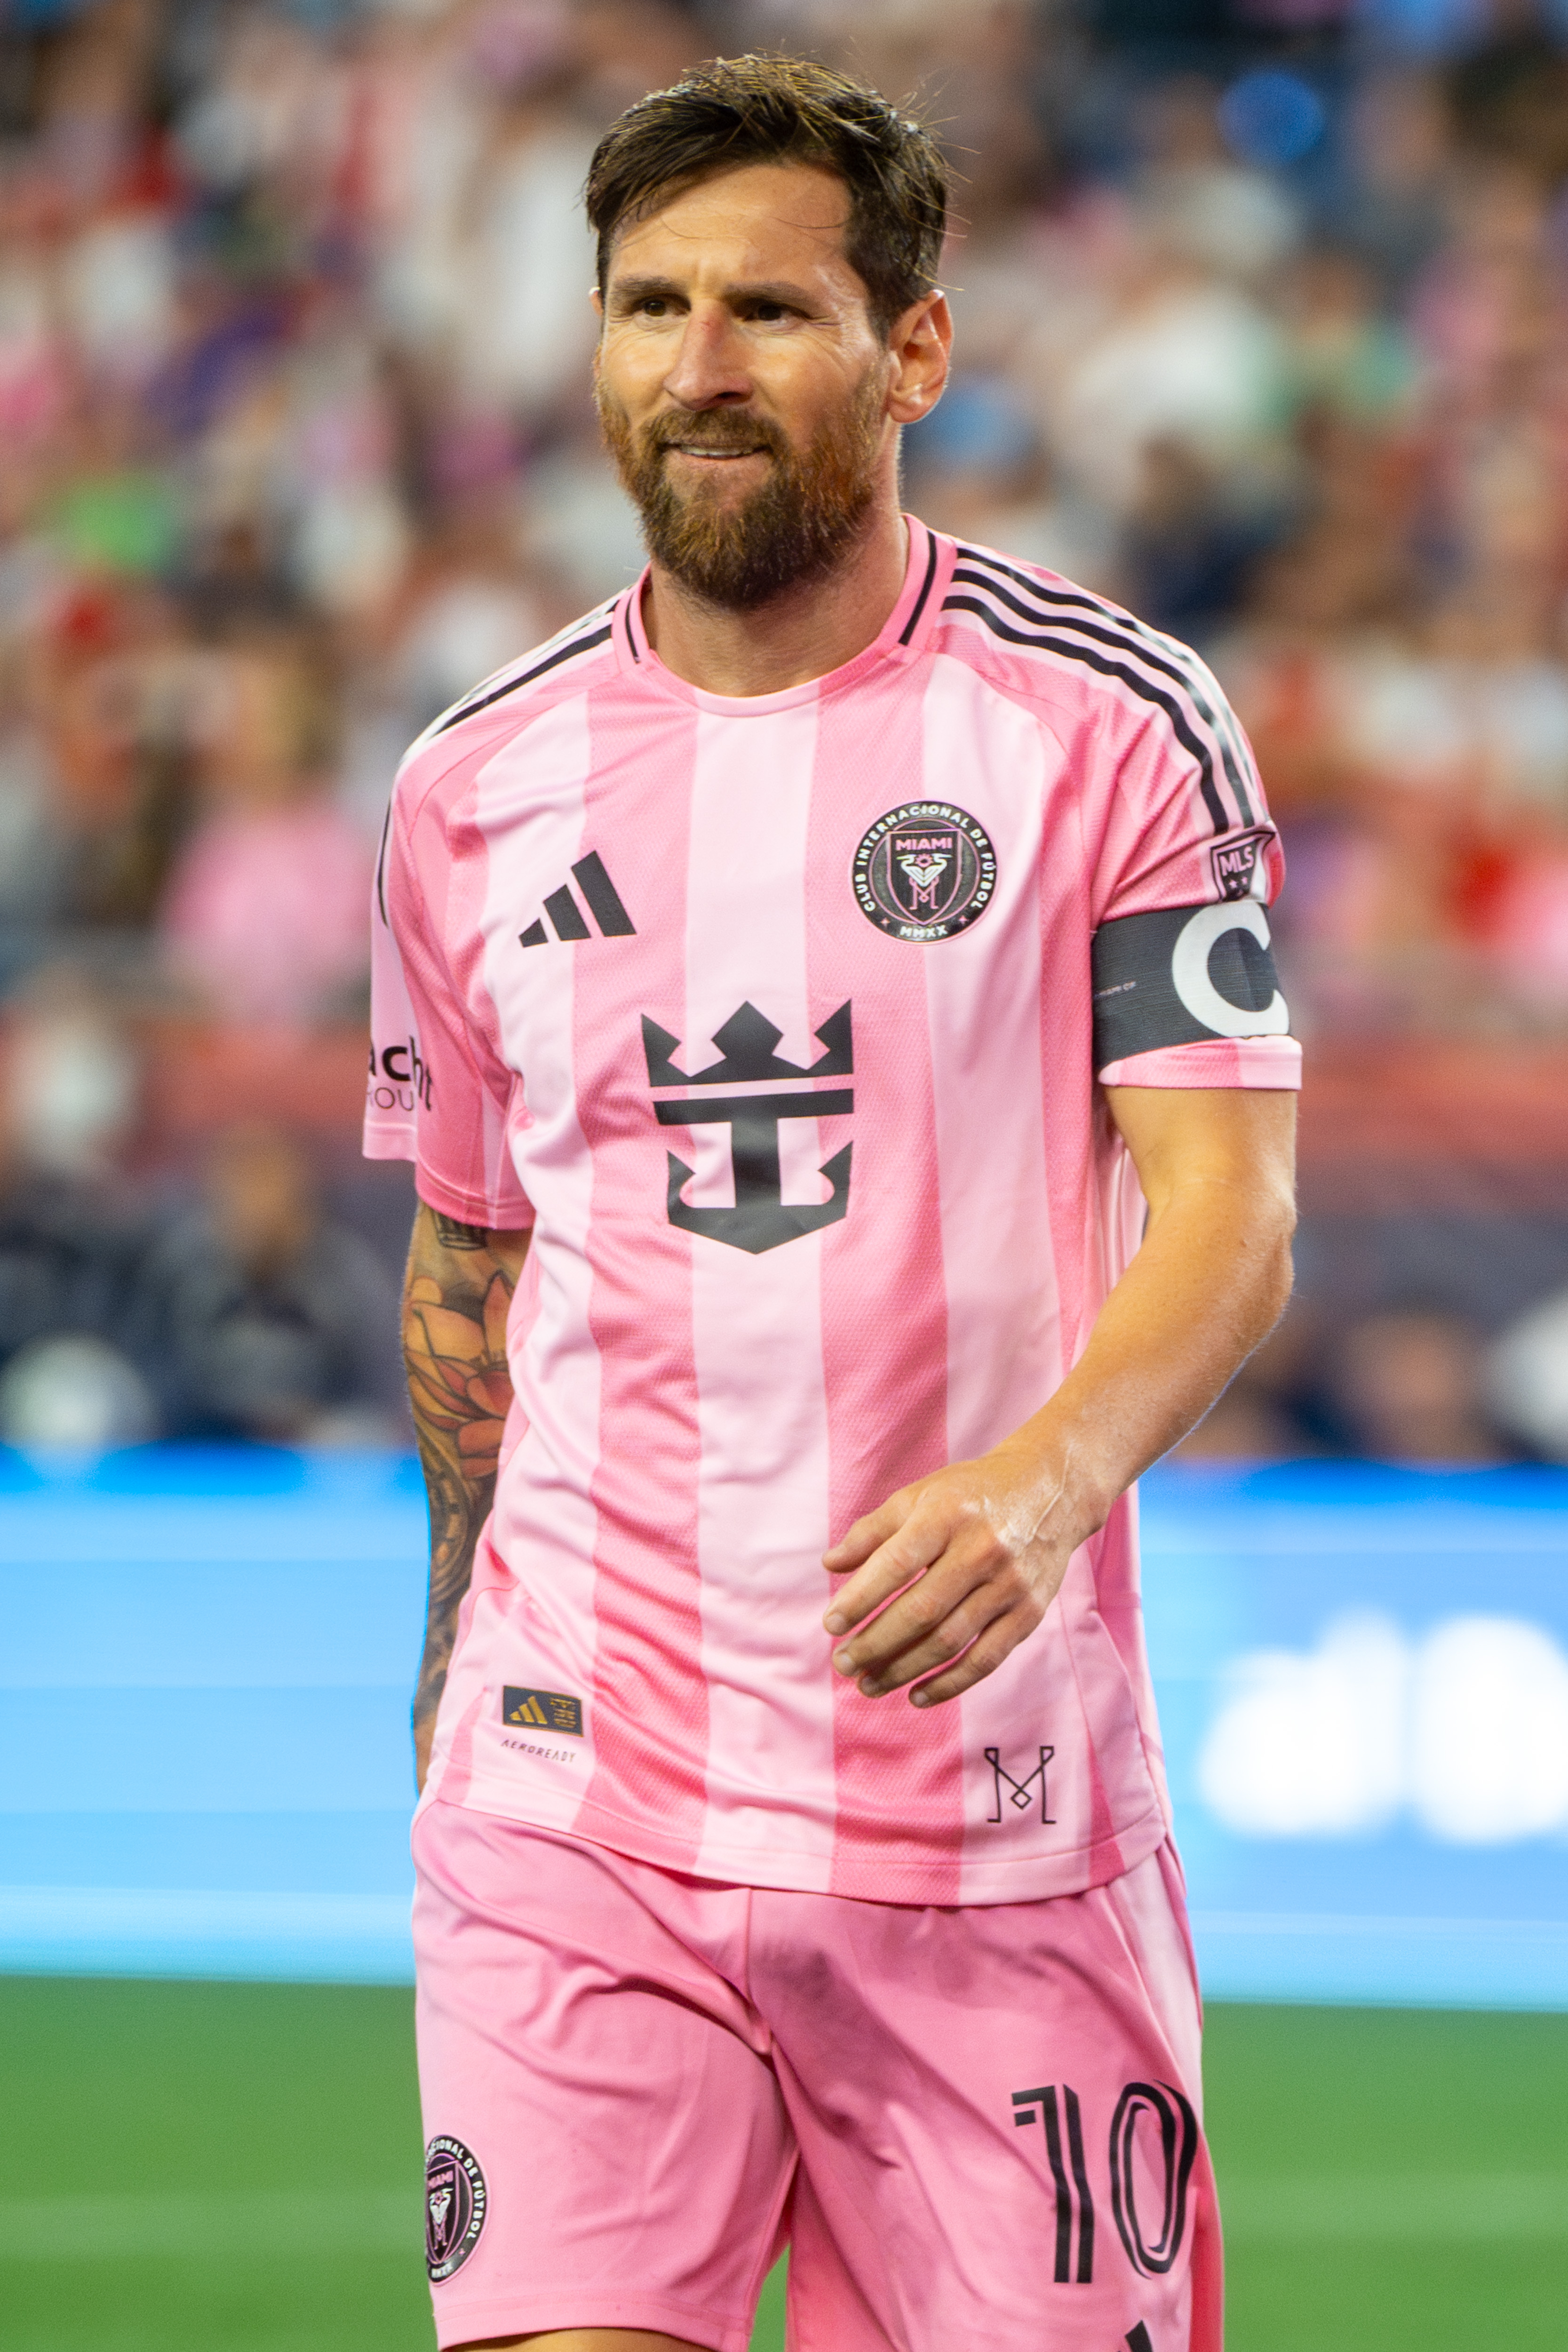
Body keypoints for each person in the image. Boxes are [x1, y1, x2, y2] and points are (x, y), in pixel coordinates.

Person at [365, 56, 1298, 2352]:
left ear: (914, 351)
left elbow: (1233, 1207)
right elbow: (472, 1264)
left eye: (770, 310)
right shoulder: (470, 787)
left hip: (990, 1819)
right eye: (649, 305)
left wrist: (1041, 1483)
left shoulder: (1114, 724)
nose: (697, 364)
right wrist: (450, 1665)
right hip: (580, 1801)